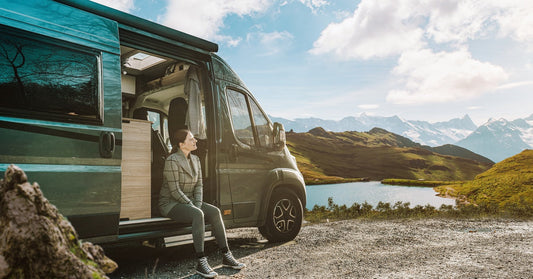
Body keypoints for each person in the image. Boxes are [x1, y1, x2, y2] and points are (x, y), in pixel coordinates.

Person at [159, 129, 245, 278]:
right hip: (171, 203)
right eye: (191, 139)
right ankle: (201, 262)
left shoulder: (196, 160)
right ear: (181, 144)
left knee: (215, 212)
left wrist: (197, 203)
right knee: (198, 214)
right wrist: (193, 207)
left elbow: (199, 185)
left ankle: (226, 255)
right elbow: (174, 190)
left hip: (191, 201)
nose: (195, 141)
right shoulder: (172, 160)